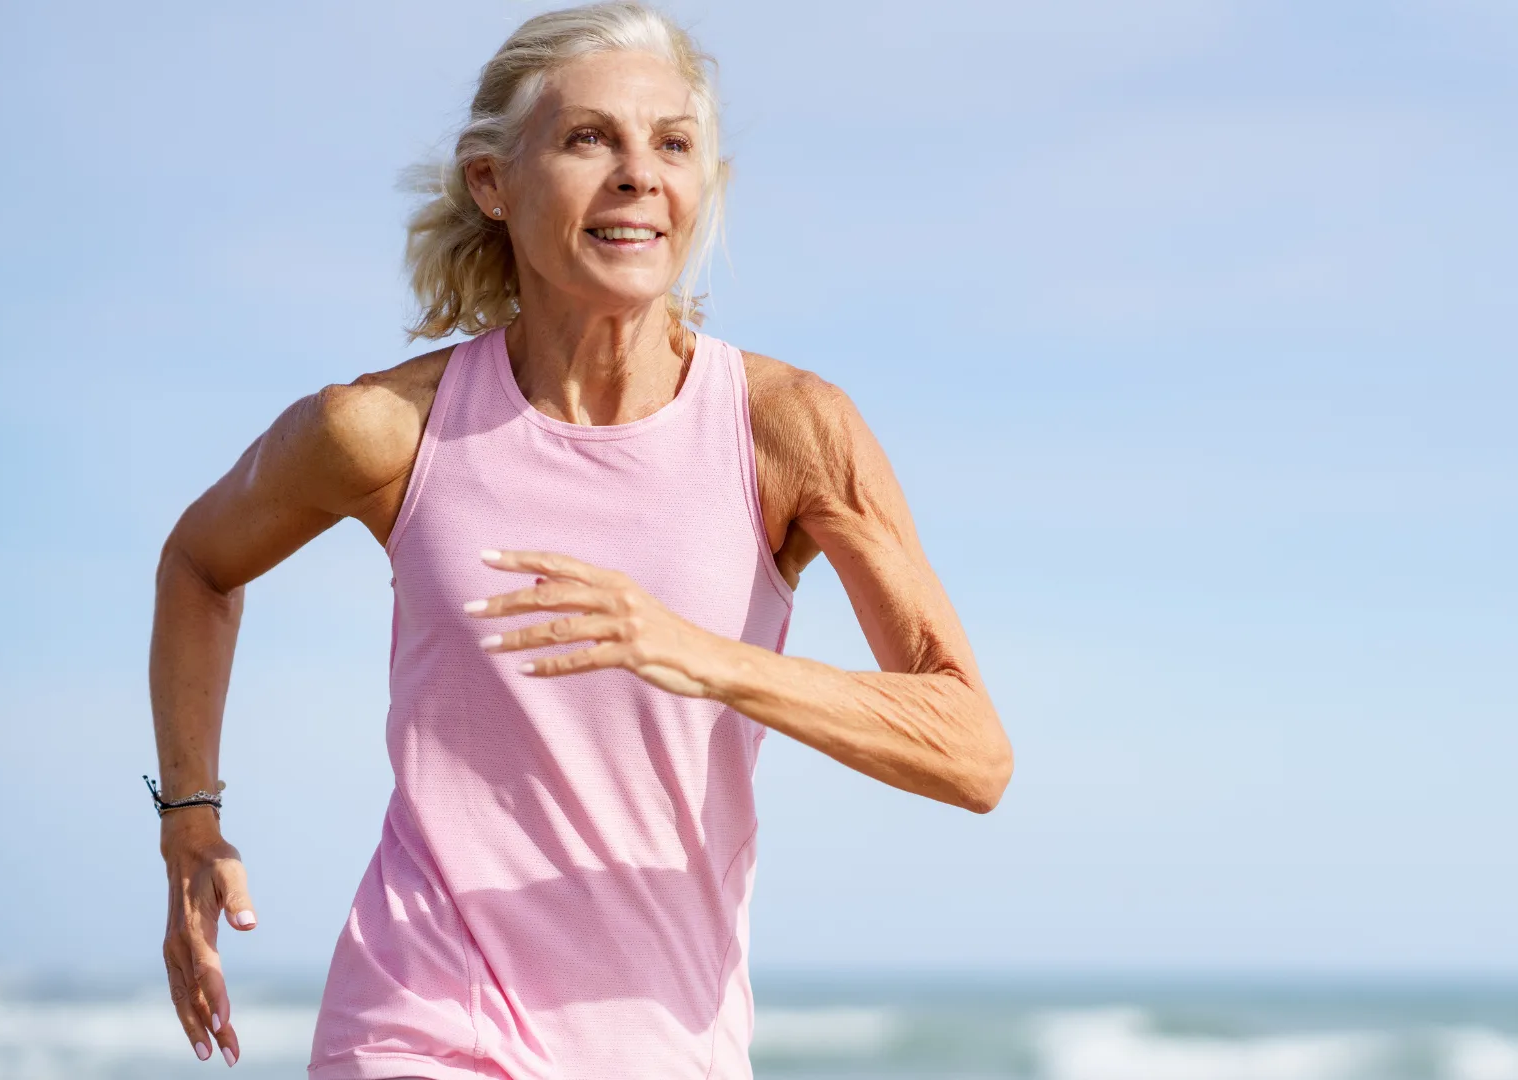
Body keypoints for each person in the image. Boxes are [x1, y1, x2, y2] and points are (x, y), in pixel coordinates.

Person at [146, 4, 1013, 1075]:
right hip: (420, 1017)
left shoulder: (786, 430)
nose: (639, 173)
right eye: (588, 137)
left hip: (666, 1037)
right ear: (492, 183)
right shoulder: (383, 431)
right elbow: (199, 563)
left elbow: (972, 749)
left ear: (705, 191)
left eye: (673, 143)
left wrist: (699, 655)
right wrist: (190, 818)